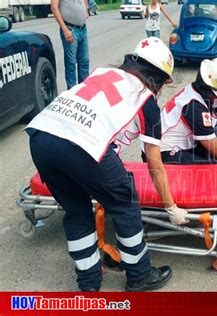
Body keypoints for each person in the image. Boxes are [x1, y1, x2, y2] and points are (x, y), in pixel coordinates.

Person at [26, 38, 188, 292]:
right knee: (124, 203)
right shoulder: (145, 99)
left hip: (41, 136)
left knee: (76, 209)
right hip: (81, 145)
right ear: (158, 78)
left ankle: (89, 285)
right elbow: (154, 162)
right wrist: (170, 206)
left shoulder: (101, 73)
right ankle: (140, 275)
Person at [160, 58, 217, 164]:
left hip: (170, 145)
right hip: (164, 152)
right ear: (210, 91)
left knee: (207, 155)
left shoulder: (196, 92)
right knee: (207, 171)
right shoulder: (196, 108)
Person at [51, 0, 90, 90]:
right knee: (71, 63)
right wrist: (64, 29)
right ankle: (72, 91)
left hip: (83, 29)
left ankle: (83, 91)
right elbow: (54, 7)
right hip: (70, 29)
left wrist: (86, 10)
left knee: (84, 62)